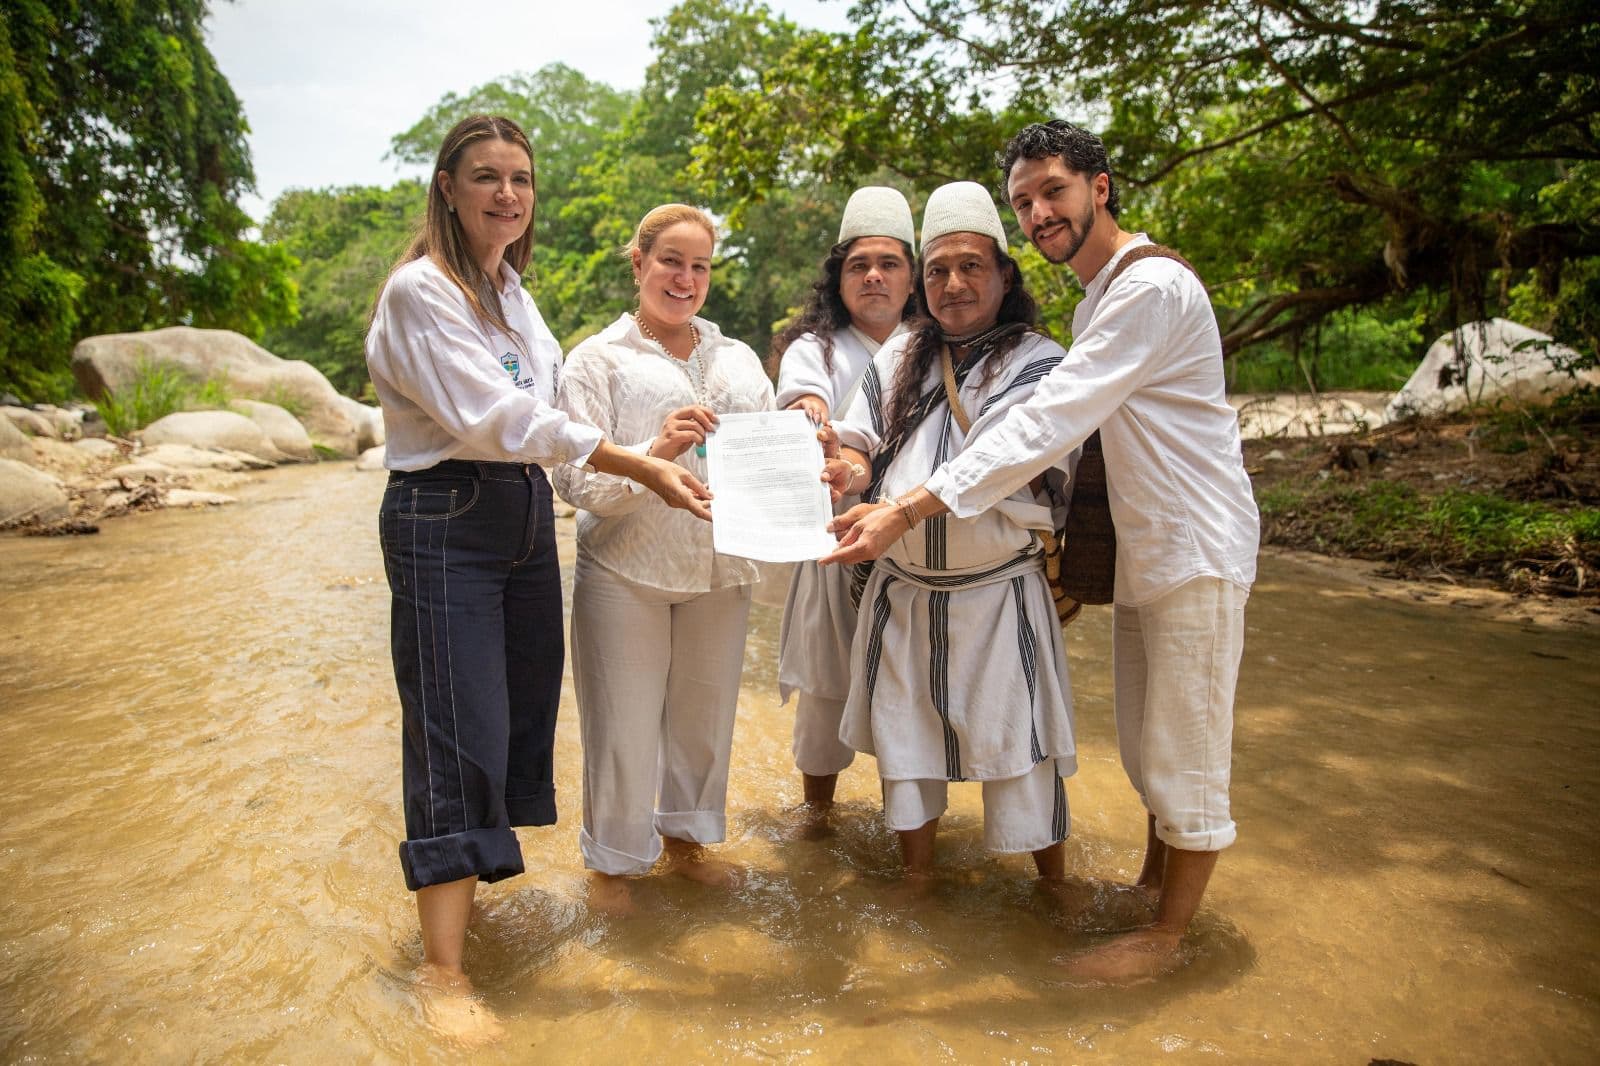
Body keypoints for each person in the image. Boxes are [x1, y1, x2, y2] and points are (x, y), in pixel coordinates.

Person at [824, 121, 1260, 982]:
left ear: (1100, 186)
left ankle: (1168, 940)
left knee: (1185, 750)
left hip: (1194, 547)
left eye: (1052, 191)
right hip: (1146, 550)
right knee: (1146, 745)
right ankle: (1149, 892)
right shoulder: (1099, 298)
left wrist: (905, 507)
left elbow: (1046, 426)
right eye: (1023, 201)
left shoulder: (1147, 289)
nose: (1039, 213)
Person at [365, 115, 711, 1030]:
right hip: (446, 514)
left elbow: (551, 412)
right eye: (487, 176)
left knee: (509, 716)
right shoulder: (421, 290)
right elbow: (494, 416)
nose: (507, 194)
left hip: (520, 515)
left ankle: (465, 910)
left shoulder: (512, 292)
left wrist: (649, 451)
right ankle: (442, 973)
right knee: (452, 727)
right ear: (447, 187)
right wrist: (633, 462)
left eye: (520, 178)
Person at [819, 181, 1077, 891]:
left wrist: (898, 512)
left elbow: (991, 466)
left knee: (1023, 750)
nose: (953, 284)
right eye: (937, 270)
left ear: (1005, 276)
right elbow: (863, 438)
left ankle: (1054, 894)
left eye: (970, 267)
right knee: (906, 751)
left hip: (1000, 595)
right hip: (903, 592)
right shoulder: (901, 352)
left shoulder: (1041, 362)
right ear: (922, 283)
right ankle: (918, 886)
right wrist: (844, 467)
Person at [552, 204, 776, 908]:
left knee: (704, 719)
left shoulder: (738, 358)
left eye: (699, 265)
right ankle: (613, 866)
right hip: (626, 568)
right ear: (639, 262)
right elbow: (572, 480)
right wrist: (656, 451)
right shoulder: (597, 358)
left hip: (721, 566)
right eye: (671, 261)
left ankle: (686, 846)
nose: (685, 278)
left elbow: (768, 457)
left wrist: (815, 463)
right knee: (621, 726)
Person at [770, 186, 919, 824]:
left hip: (918, 545)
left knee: (908, 688)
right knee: (826, 688)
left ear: (912, 278)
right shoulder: (818, 348)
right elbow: (804, 399)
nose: (874, 276)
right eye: (859, 266)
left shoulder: (936, 344)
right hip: (834, 539)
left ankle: (906, 827)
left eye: (889, 264)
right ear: (840, 280)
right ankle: (818, 822)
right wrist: (815, 419)